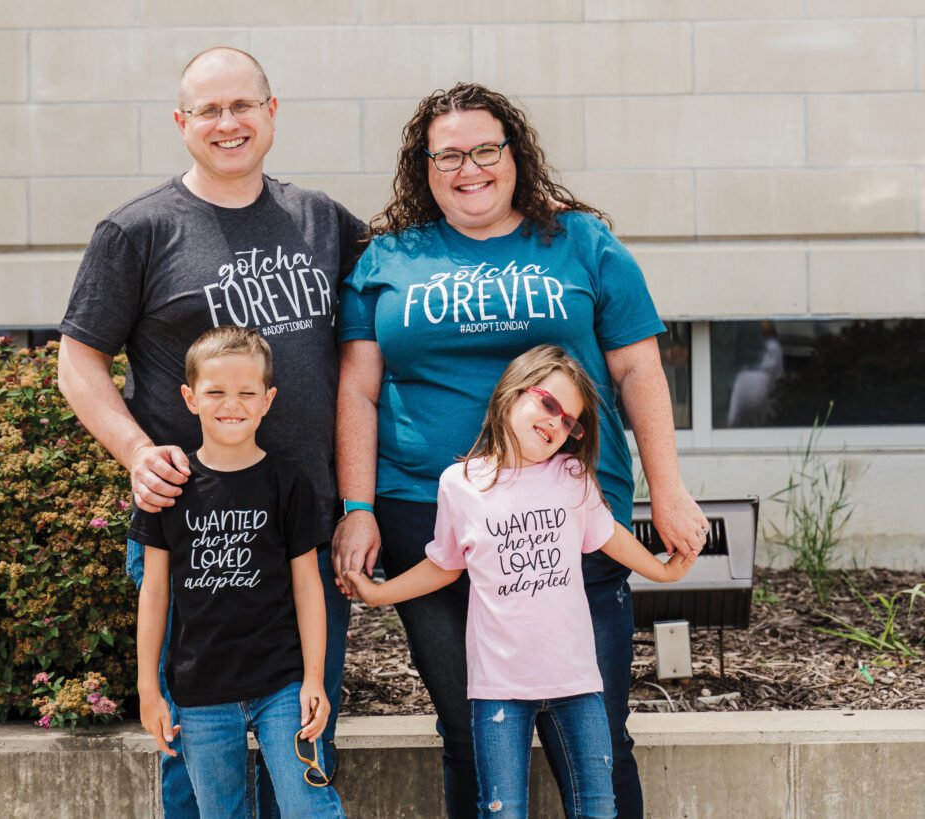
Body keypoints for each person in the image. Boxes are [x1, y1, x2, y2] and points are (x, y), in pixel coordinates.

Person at [333, 82, 709, 819]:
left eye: (484, 149)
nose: (468, 168)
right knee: (469, 733)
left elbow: (637, 369)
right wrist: (357, 506)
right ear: (424, 166)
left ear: (514, 155)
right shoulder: (387, 260)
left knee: (597, 734)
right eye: (448, 155)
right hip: (429, 516)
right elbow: (357, 391)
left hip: (575, 514)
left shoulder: (582, 244)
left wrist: (668, 490)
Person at [57, 47, 363, 818]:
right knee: (196, 762)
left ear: (271, 111)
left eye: (243, 106)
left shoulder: (321, 219)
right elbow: (77, 360)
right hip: (192, 532)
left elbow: (398, 292)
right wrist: (134, 452)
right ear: (181, 123)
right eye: (208, 110)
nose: (228, 124)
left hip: (303, 528)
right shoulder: (138, 230)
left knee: (306, 741)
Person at [344, 346, 696, 819]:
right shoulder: (460, 484)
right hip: (499, 690)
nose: (557, 422)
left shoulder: (573, 477)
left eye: (570, 420)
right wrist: (378, 592)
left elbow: (610, 536)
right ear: (512, 394)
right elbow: (445, 564)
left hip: (576, 683)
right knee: (501, 810)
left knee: (597, 806)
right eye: (549, 403)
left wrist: (664, 570)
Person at [133, 326, 345, 818]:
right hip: (201, 692)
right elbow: (155, 591)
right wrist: (149, 688)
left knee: (306, 806)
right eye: (216, 392)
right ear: (190, 398)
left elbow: (308, 587)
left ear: (268, 400)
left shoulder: (287, 483)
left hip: (282, 687)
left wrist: (314, 678)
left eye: (247, 392)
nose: (233, 404)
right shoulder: (168, 488)